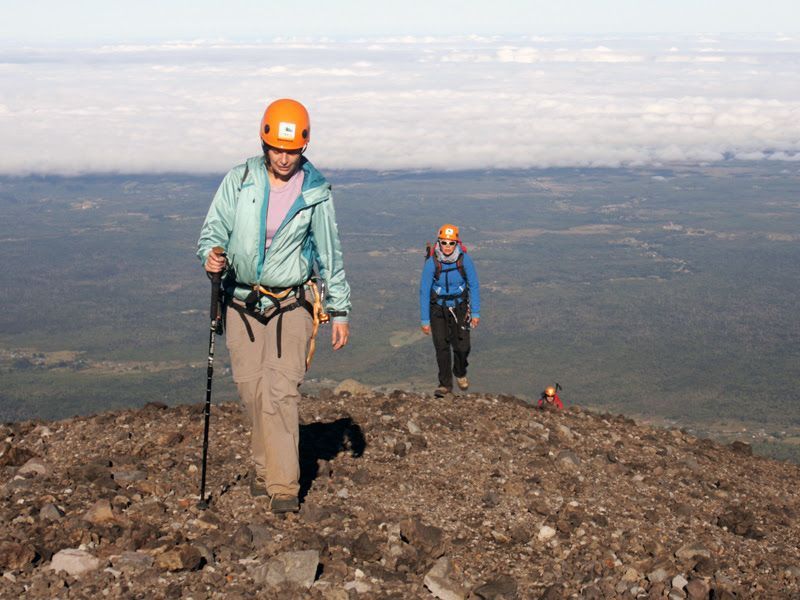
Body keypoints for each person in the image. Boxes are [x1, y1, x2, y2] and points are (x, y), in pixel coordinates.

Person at [197, 98, 351, 513]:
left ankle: (284, 487)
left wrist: (339, 309)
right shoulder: (240, 179)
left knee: (281, 392)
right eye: (277, 149)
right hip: (241, 300)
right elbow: (214, 229)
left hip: (291, 303)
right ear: (264, 143)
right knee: (252, 391)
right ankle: (264, 468)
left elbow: (328, 251)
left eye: (292, 150)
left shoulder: (316, 191)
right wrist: (211, 254)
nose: (284, 158)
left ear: (304, 147)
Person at [419, 224, 480, 398]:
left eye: (451, 243)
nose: (447, 246)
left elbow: (474, 285)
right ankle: (445, 384)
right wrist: (425, 320)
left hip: (460, 307)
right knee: (441, 346)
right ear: (439, 241)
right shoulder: (433, 262)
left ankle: (460, 371)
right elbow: (424, 290)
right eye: (444, 242)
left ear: (456, 243)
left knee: (462, 347)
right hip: (438, 309)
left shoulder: (464, 260)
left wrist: (475, 312)